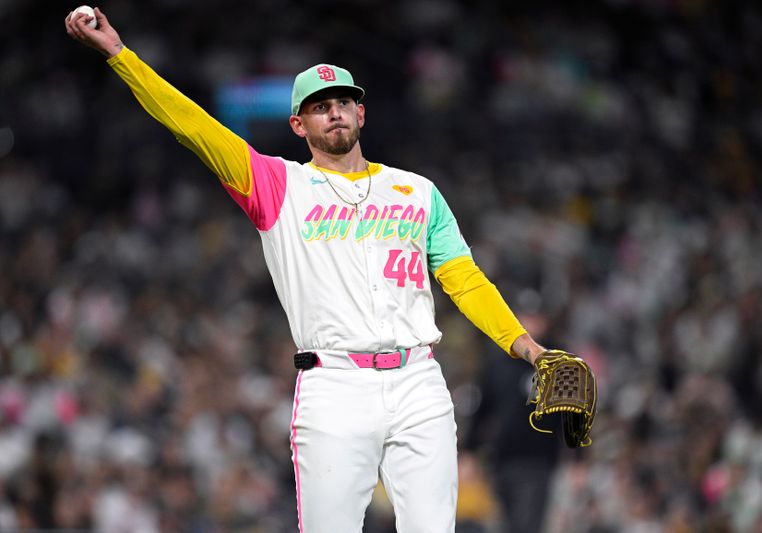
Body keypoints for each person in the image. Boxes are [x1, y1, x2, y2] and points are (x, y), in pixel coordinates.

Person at [65, 7, 550, 533]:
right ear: (299, 124)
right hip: (334, 385)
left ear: (361, 114)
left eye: (344, 101)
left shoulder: (419, 192)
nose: (335, 112)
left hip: (420, 384)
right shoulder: (276, 186)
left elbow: (465, 281)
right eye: (320, 107)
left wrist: (526, 347)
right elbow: (191, 125)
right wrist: (120, 55)